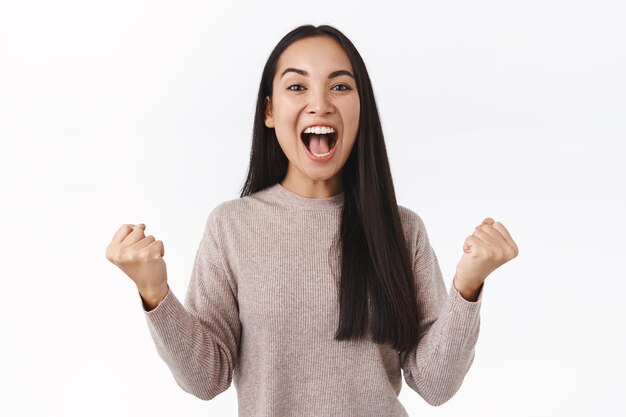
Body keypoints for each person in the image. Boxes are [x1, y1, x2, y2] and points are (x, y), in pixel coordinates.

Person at [105, 24, 519, 416]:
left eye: (340, 86)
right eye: (297, 86)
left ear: (362, 109)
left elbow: (433, 384)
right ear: (269, 111)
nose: (320, 103)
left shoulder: (402, 230)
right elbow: (207, 378)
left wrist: (468, 285)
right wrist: (154, 291)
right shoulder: (231, 228)